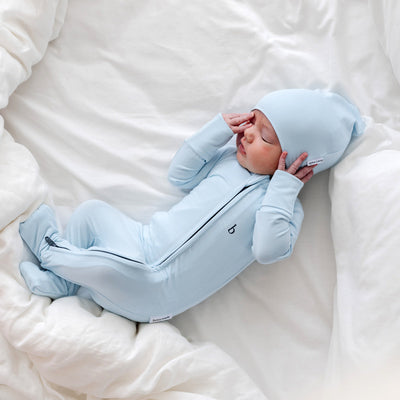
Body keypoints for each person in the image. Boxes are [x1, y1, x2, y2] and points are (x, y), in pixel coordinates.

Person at [19, 89, 364, 323]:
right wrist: (216, 130)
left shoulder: (284, 208)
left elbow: (267, 249)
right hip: (141, 244)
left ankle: (50, 251)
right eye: (252, 122)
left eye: (265, 137)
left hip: (155, 290)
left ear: (294, 161)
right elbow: (179, 175)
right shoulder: (228, 159)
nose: (247, 135)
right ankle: (61, 282)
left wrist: (283, 189)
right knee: (91, 214)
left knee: (114, 268)